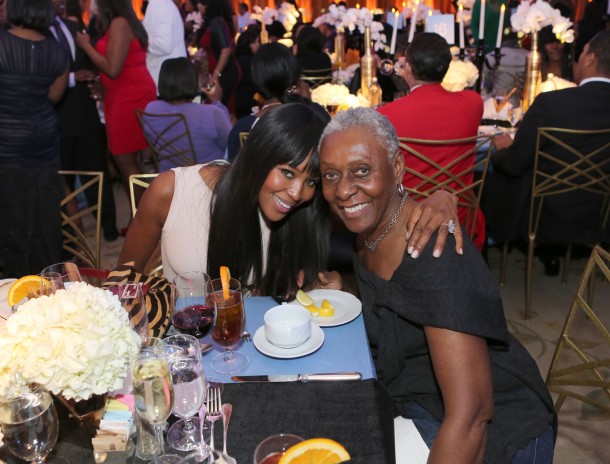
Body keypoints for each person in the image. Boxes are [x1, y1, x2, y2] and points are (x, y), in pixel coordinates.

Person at [318, 107, 557, 464]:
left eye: (362, 171)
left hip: (500, 427)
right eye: (330, 175)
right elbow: (396, 300)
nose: (344, 190)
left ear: (397, 167)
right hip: (420, 396)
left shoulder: (433, 253)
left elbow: (474, 417)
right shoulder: (368, 227)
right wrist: (348, 291)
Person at [119, 103, 464, 299]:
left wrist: (441, 198)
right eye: (286, 172)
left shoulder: (307, 211)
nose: (298, 193)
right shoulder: (173, 190)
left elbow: (374, 205)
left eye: (311, 180)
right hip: (183, 353)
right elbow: (122, 280)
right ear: (258, 156)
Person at [483, 30, 610, 275]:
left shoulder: (551, 103)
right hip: (599, 216)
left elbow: (515, 164)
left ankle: (485, 252)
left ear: (590, 58)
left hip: (542, 216)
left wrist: (502, 148)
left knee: (492, 174)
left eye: (581, 53)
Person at [377, 33, 485, 250]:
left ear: (407, 69)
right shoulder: (473, 103)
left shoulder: (386, 115)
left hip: (406, 221)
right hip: (460, 217)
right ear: (446, 69)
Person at [0, 0, 69, 276]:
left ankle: (11, 286)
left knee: (9, 212)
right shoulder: (56, 48)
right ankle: (45, 278)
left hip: (5, 142)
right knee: (42, 213)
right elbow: (54, 95)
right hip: (42, 139)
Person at [76, 0, 157, 209]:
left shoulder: (120, 23)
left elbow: (113, 68)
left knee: (124, 160)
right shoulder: (123, 21)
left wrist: (86, 45)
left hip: (129, 97)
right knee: (133, 162)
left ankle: (141, 220)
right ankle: (143, 217)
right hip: (124, 94)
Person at [52, 0, 119, 242]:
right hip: (56, 118)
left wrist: (97, 82)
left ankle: (109, 229)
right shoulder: (34, 34)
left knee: (97, 172)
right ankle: (69, 241)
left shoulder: (73, 29)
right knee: (62, 184)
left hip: (85, 112)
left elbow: (88, 64)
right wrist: (72, 77)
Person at [226, 42, 326, 161]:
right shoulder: (316, 116)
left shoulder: (243, 127)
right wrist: (310, 104)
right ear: (294, 74)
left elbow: (233, 174)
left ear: (256, 79)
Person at [143, 57, 231, 170]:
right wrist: (217, 102)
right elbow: (230, 144)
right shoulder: (212, 113)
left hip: (169, 178)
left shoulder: (151, 109)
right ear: (193, 81)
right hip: (208, 178)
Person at [195, 0, 241, 117]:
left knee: (217, 109)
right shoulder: (214, 21)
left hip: (223, 72)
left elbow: (226, 49)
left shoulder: (216, 21)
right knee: (226, 110)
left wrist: (216, 74)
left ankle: (227, 134)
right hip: (220, 70)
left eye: (200, 3)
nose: (198, 6)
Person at [142, 0, 186, 90]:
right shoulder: (161, 4)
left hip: (165, 81)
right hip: (168, 78)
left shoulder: (160, 6)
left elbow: (163, 44)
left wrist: (141, 38)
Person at [234, 25, 260, 119]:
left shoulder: (236, 59)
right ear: (249, 44)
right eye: (256, 42)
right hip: (248, 102)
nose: (258, 45)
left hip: (237, 100)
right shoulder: (251, 62)